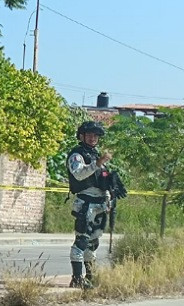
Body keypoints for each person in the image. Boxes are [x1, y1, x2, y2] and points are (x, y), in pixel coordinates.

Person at [67, 121, 115, 289]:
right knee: (81, 241)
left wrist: (109, 198)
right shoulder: (76, 155)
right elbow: (79, 174)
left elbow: (104, 182)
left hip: (100, 205)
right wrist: (97, 164)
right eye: (89, 135)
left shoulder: (96, 156)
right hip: (85, 203)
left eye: (96, 135)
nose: (93, 138)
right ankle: (77, 278)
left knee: (93, 243)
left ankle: (90, 276)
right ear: (82, 136)